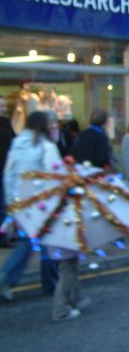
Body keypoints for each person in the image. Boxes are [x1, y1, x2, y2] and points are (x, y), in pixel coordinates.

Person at [1, 111, 61, 301]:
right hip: (42, 204)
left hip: (22, 204)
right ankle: (51, 283)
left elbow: (9, 175)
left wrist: (12, 204)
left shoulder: (17, 144)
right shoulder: (45, 146)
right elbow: (54, 176)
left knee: (25, 244)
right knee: (49, 245)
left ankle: (5, 277)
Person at [50, 247, 88, 322]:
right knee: (67, 274)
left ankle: (74, 301)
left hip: (65, 244)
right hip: (64, 244)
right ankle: (61, 311)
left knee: (70, 271)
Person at [0, 95, 15, 248]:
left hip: (5, 170)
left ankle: (3, 237)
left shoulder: (5, 123)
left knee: (4, 205)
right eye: (1, 106)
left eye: (4, 106)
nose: (3, 109)